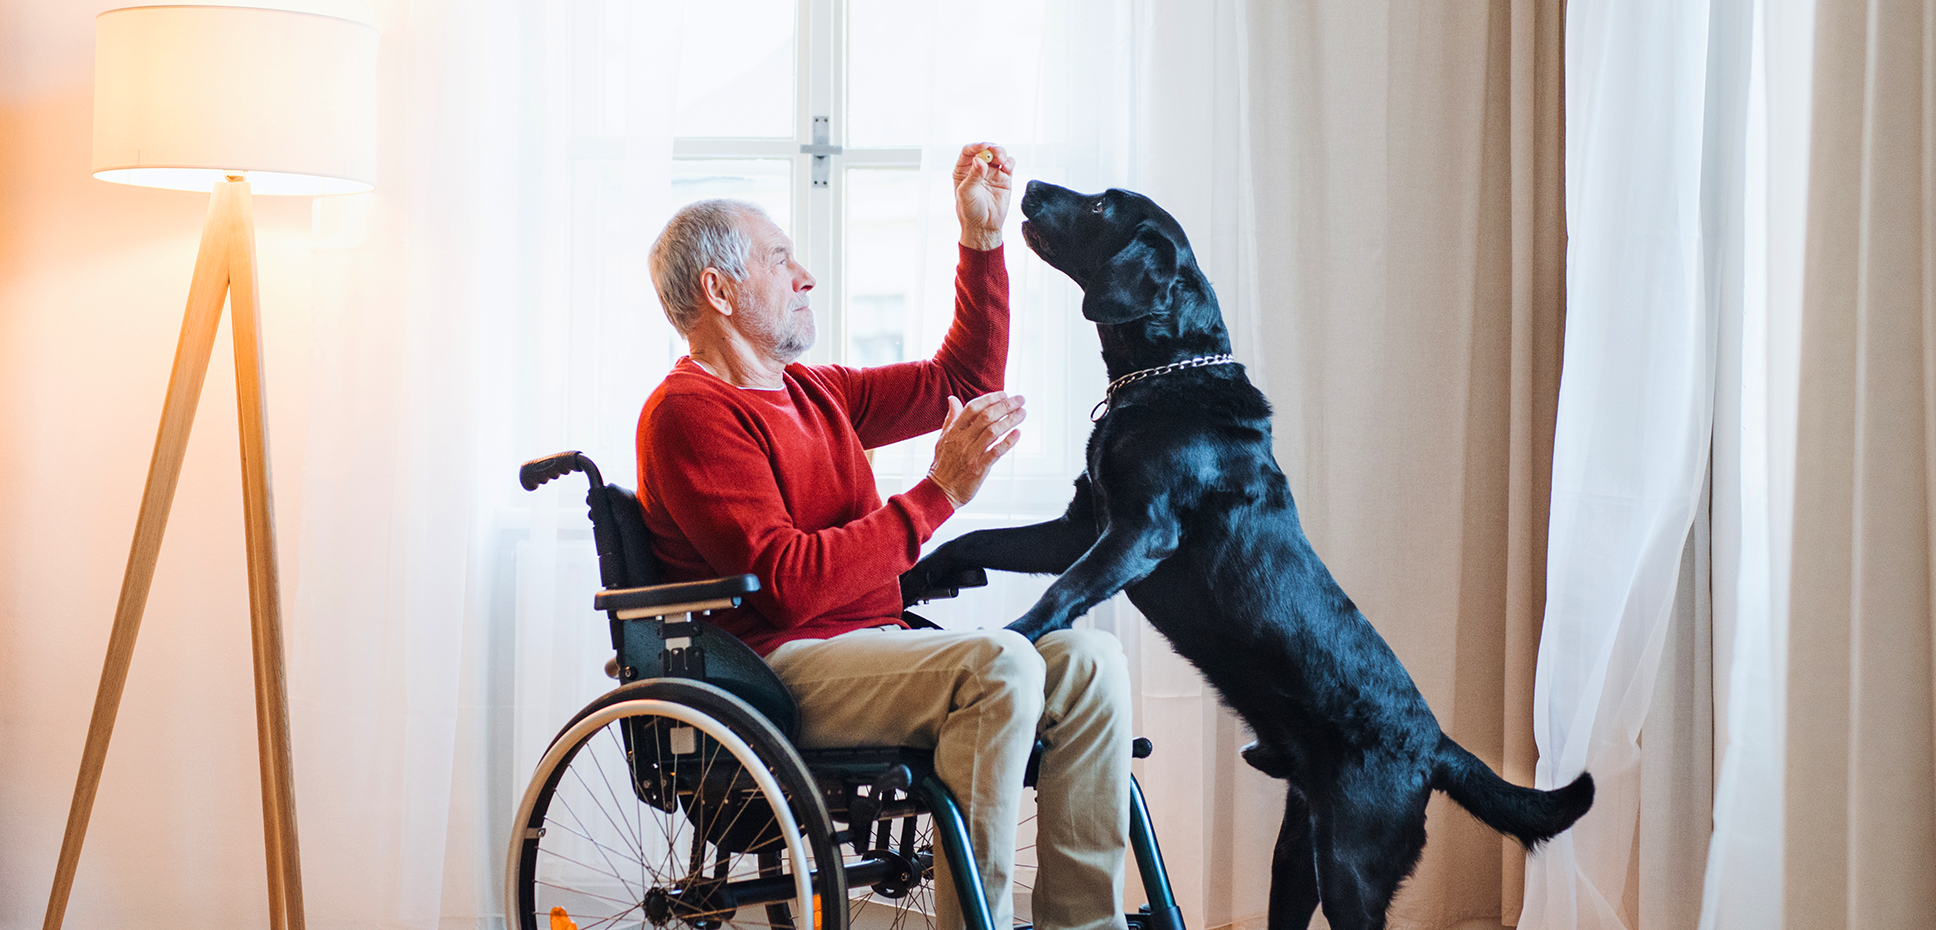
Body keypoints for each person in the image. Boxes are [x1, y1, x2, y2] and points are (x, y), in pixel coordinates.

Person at [636, 142, 1132, 930]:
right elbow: (789, 583)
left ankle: (1085, 923)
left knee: (1092, 663)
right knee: (999, 662)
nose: (804, 276)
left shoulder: (813, 391)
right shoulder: (689, 413)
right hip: (775, 671)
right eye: (780, 260)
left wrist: (981, 242)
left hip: (876, 646)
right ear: (719, 290)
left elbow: (961, 383)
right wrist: (940, 493)